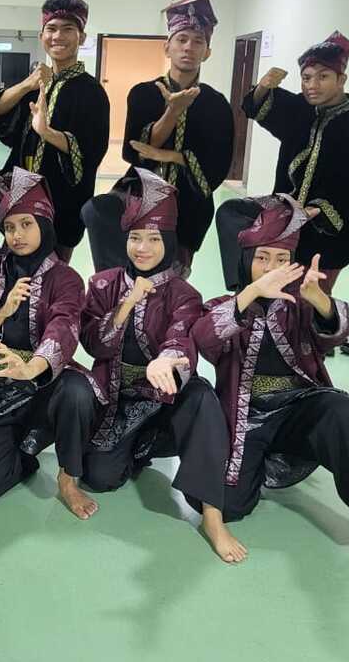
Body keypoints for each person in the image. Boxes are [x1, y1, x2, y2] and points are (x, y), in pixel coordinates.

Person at [192, 194, 349, 577]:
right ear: (246, 259)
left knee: (342, 410)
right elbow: (204, 339)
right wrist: (250, 294)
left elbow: (334, 336)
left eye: (281, 259)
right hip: (245, 417)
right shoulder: (224, 303)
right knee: (231, 506)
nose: (271, 268)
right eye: (262, 257)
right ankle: (253, 467)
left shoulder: (299, 304)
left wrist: (321, 302)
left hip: (296, 407)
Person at [76, 169, 245, 561]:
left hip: (167, 397)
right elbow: (93, 344)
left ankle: (212, 518)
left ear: (168, 242)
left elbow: (181, 337)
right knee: (100, 478)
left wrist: (165, 363)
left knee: (201, 397)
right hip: (118, 399)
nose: (142, 248)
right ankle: (137, 447)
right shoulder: (102, 284)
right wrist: (127, 305)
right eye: (135, 237)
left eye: (154, 239)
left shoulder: (184, 293)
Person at [0, 168, 98, 508]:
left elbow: (64, 327)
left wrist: (32, 366)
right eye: (9, 227)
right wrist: (1, 313)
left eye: (26, 224)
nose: (17, 235)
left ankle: (68, 478)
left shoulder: (66, 278)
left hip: (47, 384)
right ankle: (25, 452)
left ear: (44, 224)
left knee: (77, 391)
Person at [0, 0, 109, 267]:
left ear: (81, 37)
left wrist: (47, 133)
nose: (58, 36)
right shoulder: (36, 83)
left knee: (44, 276)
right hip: (16, 184)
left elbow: (91, 152)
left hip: (59, 198)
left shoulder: (92, 92)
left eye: (68, 29)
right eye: (51, 29)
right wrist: (27, 85)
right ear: (42, 35)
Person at [216, 31, 349, 293]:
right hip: (286, 210)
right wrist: (264, 85)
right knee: (231, 211)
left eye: (323, 77)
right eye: (306, 77)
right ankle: (243, 286)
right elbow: (256, 107)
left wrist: (309, 212)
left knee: (305, 301)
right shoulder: (301, 108)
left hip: (325, 229)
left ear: (341, 79)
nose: (312, 85)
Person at [82, 0, 233, 274]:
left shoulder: (217, 104)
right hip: (138, 192)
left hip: (189, 203)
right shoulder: (143, 93)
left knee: (170, 280)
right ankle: (113, 284)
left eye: (198, 41)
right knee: (97, 210)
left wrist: (169, 155)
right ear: (167, 47)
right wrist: (172, 112)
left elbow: (217, 166)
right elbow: (133, 151)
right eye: (181, 39)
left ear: (207, 52)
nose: (188, 47)